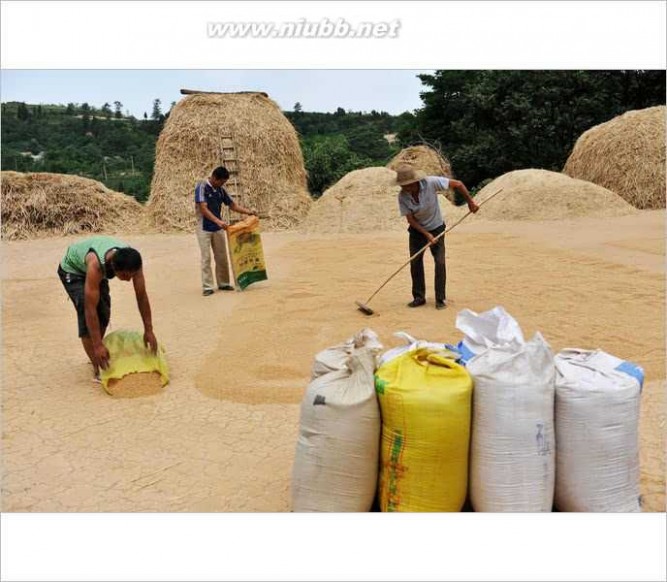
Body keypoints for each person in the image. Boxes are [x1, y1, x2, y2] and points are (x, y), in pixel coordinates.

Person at [57, 235, 158, 381]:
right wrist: (97, 345)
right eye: (124, 276)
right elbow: (89, 309)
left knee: (104, 312)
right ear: (114, 268)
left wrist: (149, 330)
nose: (129, 279)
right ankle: (98, 367)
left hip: (97, 268)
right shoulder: (96, 266)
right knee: (88, 315)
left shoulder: (134, 262)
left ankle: (97, 352)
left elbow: (141, 296)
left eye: (131, 275)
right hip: (73, 271)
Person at [395, 164, 479, 310]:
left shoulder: (431, 182)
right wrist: (426, 235)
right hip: (417, 232)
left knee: (440, 262)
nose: (405, 188)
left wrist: (470, 202)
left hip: (437, 227)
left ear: (414, 182)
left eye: (407, 185)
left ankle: (440, 299)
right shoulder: (403, 196)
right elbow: (411, 220)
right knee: (415, 263)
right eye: (403, 186)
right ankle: (419, 297)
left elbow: (458, 184)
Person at [195, 166, 256, 296]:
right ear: (215, 178)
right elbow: (203, 209)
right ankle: (207, 286)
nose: (223, 184)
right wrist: (218, 221)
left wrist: (248, 212)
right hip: (204, 227)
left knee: (221, 256)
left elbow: (232, 205)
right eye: (221, 182)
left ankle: (223, 283)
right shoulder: (201, 186)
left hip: (218, 227)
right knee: (206, 257)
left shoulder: (221, 190)